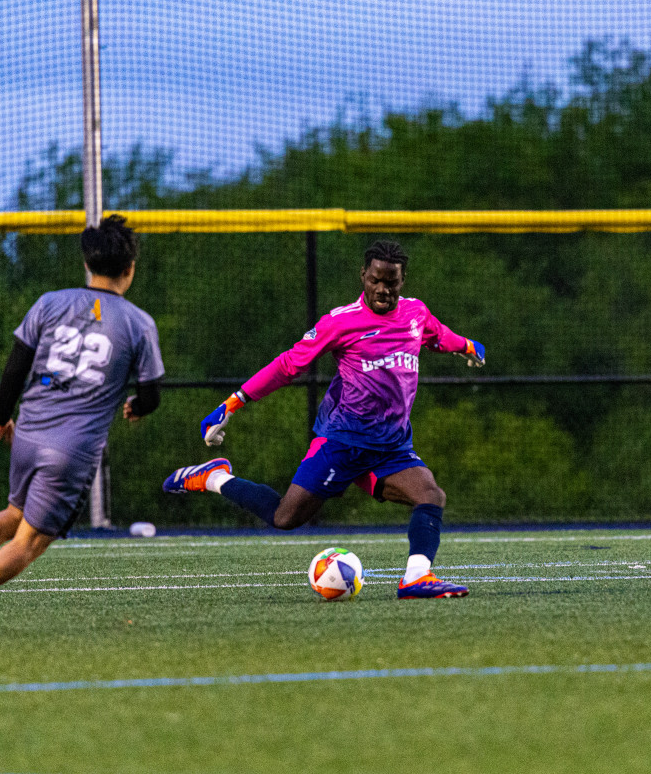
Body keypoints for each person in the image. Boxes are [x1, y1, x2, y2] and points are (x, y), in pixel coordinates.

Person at [163, 240, 484, 598]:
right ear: (363, 276)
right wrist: (233, 402)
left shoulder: (415, 314)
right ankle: (215, 478)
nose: (383, 289)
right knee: (286, 518)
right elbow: (288, 366)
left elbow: (439, 336)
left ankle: (416, 578)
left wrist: (468, 346)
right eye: (376, 279)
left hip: (391, 446)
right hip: (341, 442)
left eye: (391, 282)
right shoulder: (340, 322)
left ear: (402, 281)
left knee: (430, 495)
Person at [0, 214, 164, 633]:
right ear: (130, 269)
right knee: (29, 543)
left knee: (15, 514)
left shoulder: (49, 303)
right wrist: (138, 407)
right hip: (71, 450)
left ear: (87, 265)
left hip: (30, 432)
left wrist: (2, 419)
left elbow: (15, 368)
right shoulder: (139, 323)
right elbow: (152, 393)